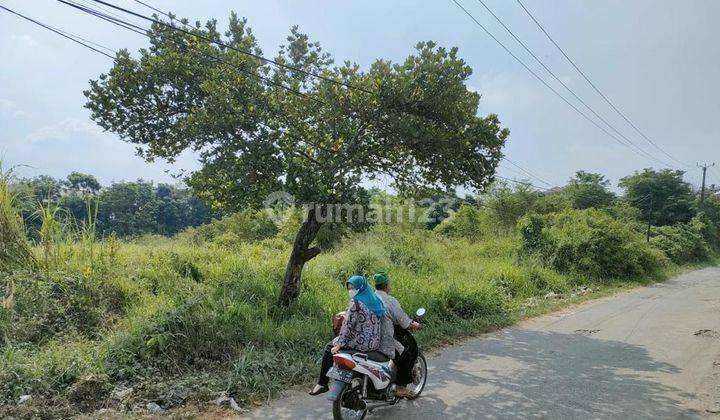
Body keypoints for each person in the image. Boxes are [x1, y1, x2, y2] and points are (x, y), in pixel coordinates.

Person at [309, 275, 386, 396]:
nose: (351, 291)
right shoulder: (375, 299)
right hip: (373, 342)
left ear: (360, 288)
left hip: (360, 342)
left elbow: (347, 327)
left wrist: (339, 345)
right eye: (349, 288)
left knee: (329, 347)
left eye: (353, 288)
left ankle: (322, 383)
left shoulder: (355, 302)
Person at [373, 271, 421, 399]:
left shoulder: (370, 298)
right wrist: (414, 324)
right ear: (387, 285)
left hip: (370, 337)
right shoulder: (390, 301)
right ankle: (401, 387)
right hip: (384, 338)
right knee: (406, 355)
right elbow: (404, 322)